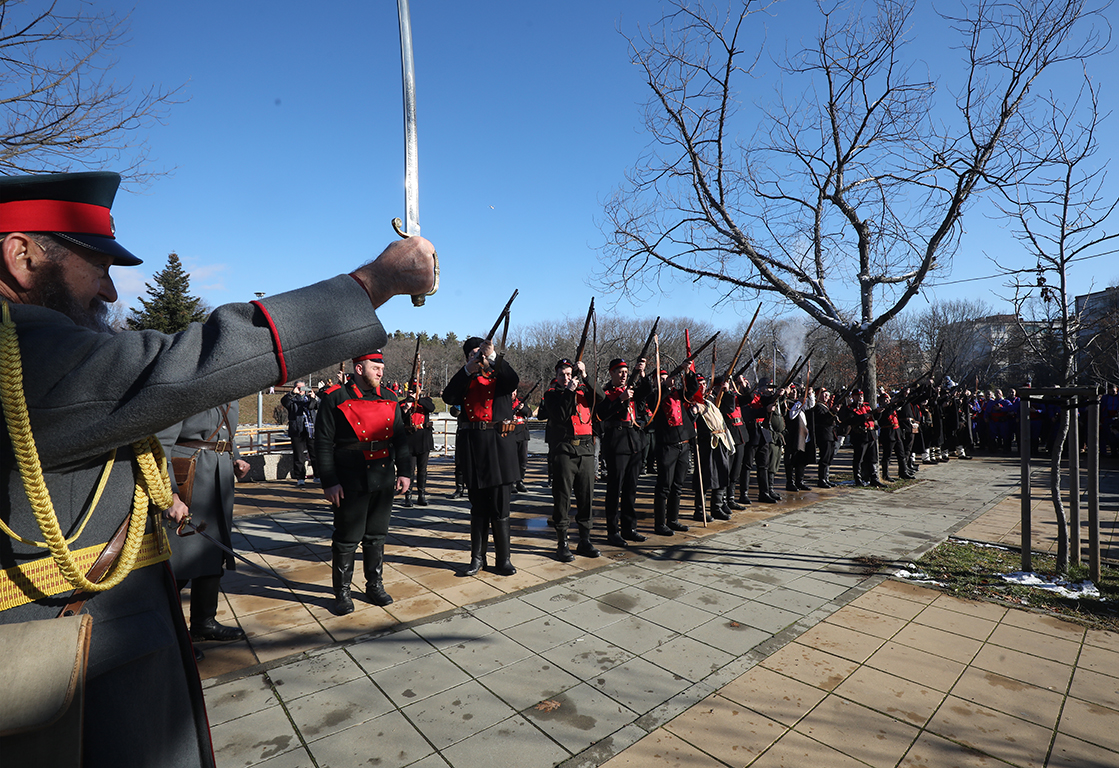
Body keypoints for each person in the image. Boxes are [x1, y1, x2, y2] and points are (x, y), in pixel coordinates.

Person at [0, 170, 437, 768]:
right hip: (76, 686)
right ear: (21, 255)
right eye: (94, 264)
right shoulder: (26, 357)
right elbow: (195, 361)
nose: (108, 291)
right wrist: (372, 283)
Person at [315, 351, 412, 614]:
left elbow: (400, 440)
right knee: (347, 538)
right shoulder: (335, 397)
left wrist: (405, 471)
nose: (380, 372)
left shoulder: (390, 397)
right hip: (350, 477)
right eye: (375, 367)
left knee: (377, 535)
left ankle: (374, 585)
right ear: (359, 369)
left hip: (383, 475)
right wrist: (329, 481)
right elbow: (323, 443)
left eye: (382, 367)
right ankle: (342, 592)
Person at [158, 402, 251, 655]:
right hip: (189, 480)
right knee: (180, 560)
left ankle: (203, 623)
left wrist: (237, 458)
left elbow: (226, 436)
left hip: (218, 481)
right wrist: (170, 496)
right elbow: (159, 446)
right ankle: (168, 633)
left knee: (212, 552)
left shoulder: (232, 396)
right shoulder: (186, 391)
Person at [442, 337, 520, 576]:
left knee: (499, 507)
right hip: (473, 447)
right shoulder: (465, 379)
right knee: (478, 508)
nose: (479, 358)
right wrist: (468, 370)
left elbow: (512, 380)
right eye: (474, 355)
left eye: (481, 354)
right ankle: (477, 558)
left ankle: (503, 559)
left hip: (498, 447)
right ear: (467, 358)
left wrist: (493, 357)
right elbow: (448, 397)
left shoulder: (500, 377)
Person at [542, 358, 601, 560]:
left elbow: (601, 398)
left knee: (586, 498)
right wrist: (569, 391)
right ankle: (563, 543)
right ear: (556, 377)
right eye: (562, 375)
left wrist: (586, 376)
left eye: (569, 374)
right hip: (564, 451)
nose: (566, 378)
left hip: (585, 450)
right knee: (562, 498)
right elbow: (560, 414)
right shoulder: (552, 395)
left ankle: (585, 541)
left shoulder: (584, 390)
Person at [595, 358, 651, 545]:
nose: (623, 374)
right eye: (619, 371)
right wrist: (621, 399)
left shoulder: (631, 389)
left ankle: (629, 528)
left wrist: (642, 374)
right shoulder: (606, 392)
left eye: (626, 371)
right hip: (616, 442)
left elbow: (647, 391)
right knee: (614, 489)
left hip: (634, 441)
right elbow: (602, 413)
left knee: (630, 489)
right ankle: (613, 531)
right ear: (611, 373)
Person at [647, 368, 699, 534]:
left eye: (666, 377)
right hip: (667, 446)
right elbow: (656, 400)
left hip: (683, 444)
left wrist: (688, 371)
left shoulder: (677, 393)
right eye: (661, 378)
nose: (666, 380)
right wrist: (665, 387)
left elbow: (693, 388)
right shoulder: (654, 396)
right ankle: (660, 523)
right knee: (664, 486)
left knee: (678, 485)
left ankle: (673, 519)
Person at [398, 389, 436, 506]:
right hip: (410, 439)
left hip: (423, 438)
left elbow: (431, 408)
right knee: (410, 469)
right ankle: (408, 496)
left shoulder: (424, 401)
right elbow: (398, 420)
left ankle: (421, 495)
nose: (411, 394)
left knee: (422, 469)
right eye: (409, 392)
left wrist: (417, 399)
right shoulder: (402, 404)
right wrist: (405, 409)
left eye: (413, 392)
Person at [281, 380, 318, 486]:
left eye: (303, 387)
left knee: (315, 454)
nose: (301, 390)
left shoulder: (309, 398)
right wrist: (293, 393)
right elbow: (284, 401)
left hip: (311, 430)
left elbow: (317, 405)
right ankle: (300, 478)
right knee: (299, 455)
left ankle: (317, 476)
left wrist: (314, 397)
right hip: (297, 430)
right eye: (299, 387)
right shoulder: (292, 400)